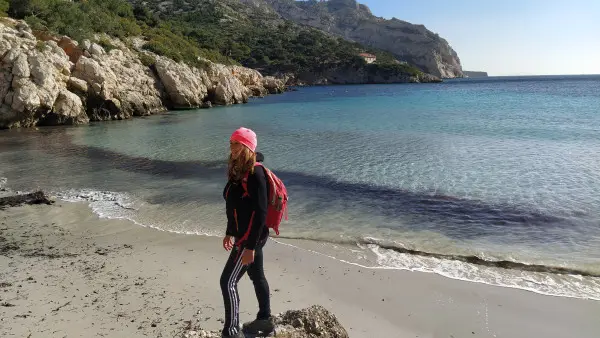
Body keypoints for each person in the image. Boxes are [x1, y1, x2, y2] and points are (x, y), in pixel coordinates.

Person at [220, 127, 274, 338]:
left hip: (251, 238)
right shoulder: (237, 171)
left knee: (227, 282)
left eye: (236, 144)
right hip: (245, 235)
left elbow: (260, 213)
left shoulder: (256, 173)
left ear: (246, 147)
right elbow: (235, 205)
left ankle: (231, 331)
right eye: (231, 143)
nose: (231, 147)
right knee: (257, 275)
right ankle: (265, 319)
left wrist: (250, 246)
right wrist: (229, 231)